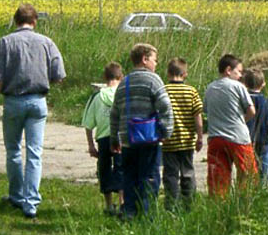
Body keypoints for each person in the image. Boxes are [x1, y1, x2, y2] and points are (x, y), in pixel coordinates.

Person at [0, 3, 66, 219]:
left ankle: (16, 195)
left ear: (15, 21)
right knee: (34, 152)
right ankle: (31, 203)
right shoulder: (46, 43)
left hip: (13, 101)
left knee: (13, 150)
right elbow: (59, 75)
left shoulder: (5, 42)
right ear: (35, 21)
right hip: (37, 101)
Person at [110, 43, 173, 220]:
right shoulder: (153, 80)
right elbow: (165, 107)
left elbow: (115, 113)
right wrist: (167, 131)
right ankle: (147, 214)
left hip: (128, 138)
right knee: (149, 176)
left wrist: (115, 138)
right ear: (144, 59)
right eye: (154, 59)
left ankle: (129, 212)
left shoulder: (124, 83)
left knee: (129, 176)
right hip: (148, 138)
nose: (156, 63)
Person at [204, 54, 257, 197]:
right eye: (238, 71)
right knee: (248, 174)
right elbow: (251, 111)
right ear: (228, 70)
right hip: (238, 137)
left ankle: (218, 206)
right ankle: (244, 202)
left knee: (218, 178)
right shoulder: (238, 86)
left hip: (216, 138)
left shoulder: (210, 88)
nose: (240, 76)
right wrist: (241, 120)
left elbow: (206, 110)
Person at [81, 62, 124, 216]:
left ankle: (108, 204)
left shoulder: (97, 97)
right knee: (121, 169)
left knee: (104, 169)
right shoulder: (124, 95)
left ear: (105, 77)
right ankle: (122, 202)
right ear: (121, 77)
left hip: (104, 139)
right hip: (121, 137)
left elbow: (88, 123)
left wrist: (91, 145)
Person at [161, 58, 204, 210]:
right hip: (187, 141)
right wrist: (199, 137)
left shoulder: (163, 90)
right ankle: (189, 203)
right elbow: (197, 117)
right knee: (187, 172)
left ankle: (171, 204)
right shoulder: (191, 91)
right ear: (185, 74)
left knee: (170, 174)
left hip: (168, 141)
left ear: (168, 73)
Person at [243, 68, 268, 183]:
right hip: (263, 142)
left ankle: (246, 192)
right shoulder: (267, 102)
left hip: (244, 141)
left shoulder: (242, 101)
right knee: (263, 172)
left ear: (245, 84)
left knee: (246, 172)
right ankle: (262, 191)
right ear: (263, 84)